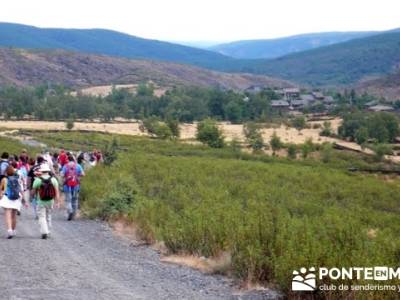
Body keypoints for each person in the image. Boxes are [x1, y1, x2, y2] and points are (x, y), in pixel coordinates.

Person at [31, 164, 60, 239]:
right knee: (48, 215)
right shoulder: (53, 179)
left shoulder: (37, 180)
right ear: (48, 171)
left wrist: (32, 197)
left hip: (40, 201)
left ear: (41, 171)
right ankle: (48, 230)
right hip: (50, 201)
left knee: (41, 216)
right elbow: (57, 192)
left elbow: (33, 192)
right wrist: (58, 202)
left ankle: (44, 232)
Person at [0, 166, 24, 238]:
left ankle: (9, 230)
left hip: (7, 198)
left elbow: (2, 189)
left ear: (6, 172)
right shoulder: (17, 179)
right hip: (16, 198)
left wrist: (1, 195)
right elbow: (20, 189)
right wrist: (23, 199)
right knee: (14, 216)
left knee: (8, 215)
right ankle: (13, 230)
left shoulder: (4, 179)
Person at [61, 154, 84, 221]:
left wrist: (66, 176)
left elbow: (62, 174)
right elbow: (83, 174)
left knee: (68, 200)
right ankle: (74, 215)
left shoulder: (65, 166)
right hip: (76, 185)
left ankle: (70, 211)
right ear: (74, 159)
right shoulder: (78, 166)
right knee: (75, 200)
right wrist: (77, 175)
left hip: (67, 185)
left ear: (68, 159)